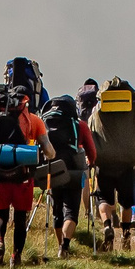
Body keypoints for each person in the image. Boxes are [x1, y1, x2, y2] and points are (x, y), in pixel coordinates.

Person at [0, 85, 49, 268]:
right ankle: (16, 256)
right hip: (23, 177)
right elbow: (49, 150)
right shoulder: (34, 120)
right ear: (26, 101)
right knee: (20, 218)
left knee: (0, 215)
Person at [91, 78, 135, 254]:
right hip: (127, 161)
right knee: (127, 202)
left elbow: (91, 130)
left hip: (104, 161)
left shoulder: (98, 109)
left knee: (103, 198)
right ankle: (126, 236)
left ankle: (107, 226)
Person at [39, 90, 92, 258]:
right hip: (73, 170)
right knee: (71, 211)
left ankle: (59, 245)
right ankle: (65, 246)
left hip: (52, 169)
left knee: (57, 211)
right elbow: (93, 152)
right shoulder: (80, 125)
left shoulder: (45, 122)